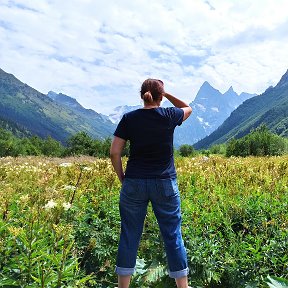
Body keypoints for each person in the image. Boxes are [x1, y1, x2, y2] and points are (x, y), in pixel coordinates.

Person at [110, 78, 192, 288]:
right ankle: (182, 287)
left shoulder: (129, 118)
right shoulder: (169, 115)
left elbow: (115, 152)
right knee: (173, 235)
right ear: (160, 96)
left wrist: (123, 178)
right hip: (164, 183)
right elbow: (187, 108)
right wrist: (168, 94)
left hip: (134, 182)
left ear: (142, 95)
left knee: (129, 234)